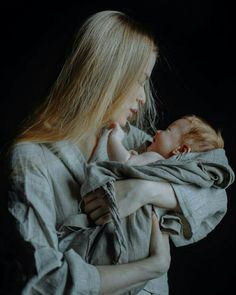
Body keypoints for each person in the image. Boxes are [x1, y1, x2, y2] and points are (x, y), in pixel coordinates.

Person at [2, 10, 233, 295]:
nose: (143, 97)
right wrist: (152, 267)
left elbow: (216, 192)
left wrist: (145, 190)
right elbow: (45, 281)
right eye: (138, 80)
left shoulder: (137, 143)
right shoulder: (31, 159)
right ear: (108, 74)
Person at [107, 114, 224, 165]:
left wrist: (115, 138)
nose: (158, 131)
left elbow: (124, 163)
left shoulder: (157, 159)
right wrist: (135, 157)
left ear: (180, 150)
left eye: (167, 130)